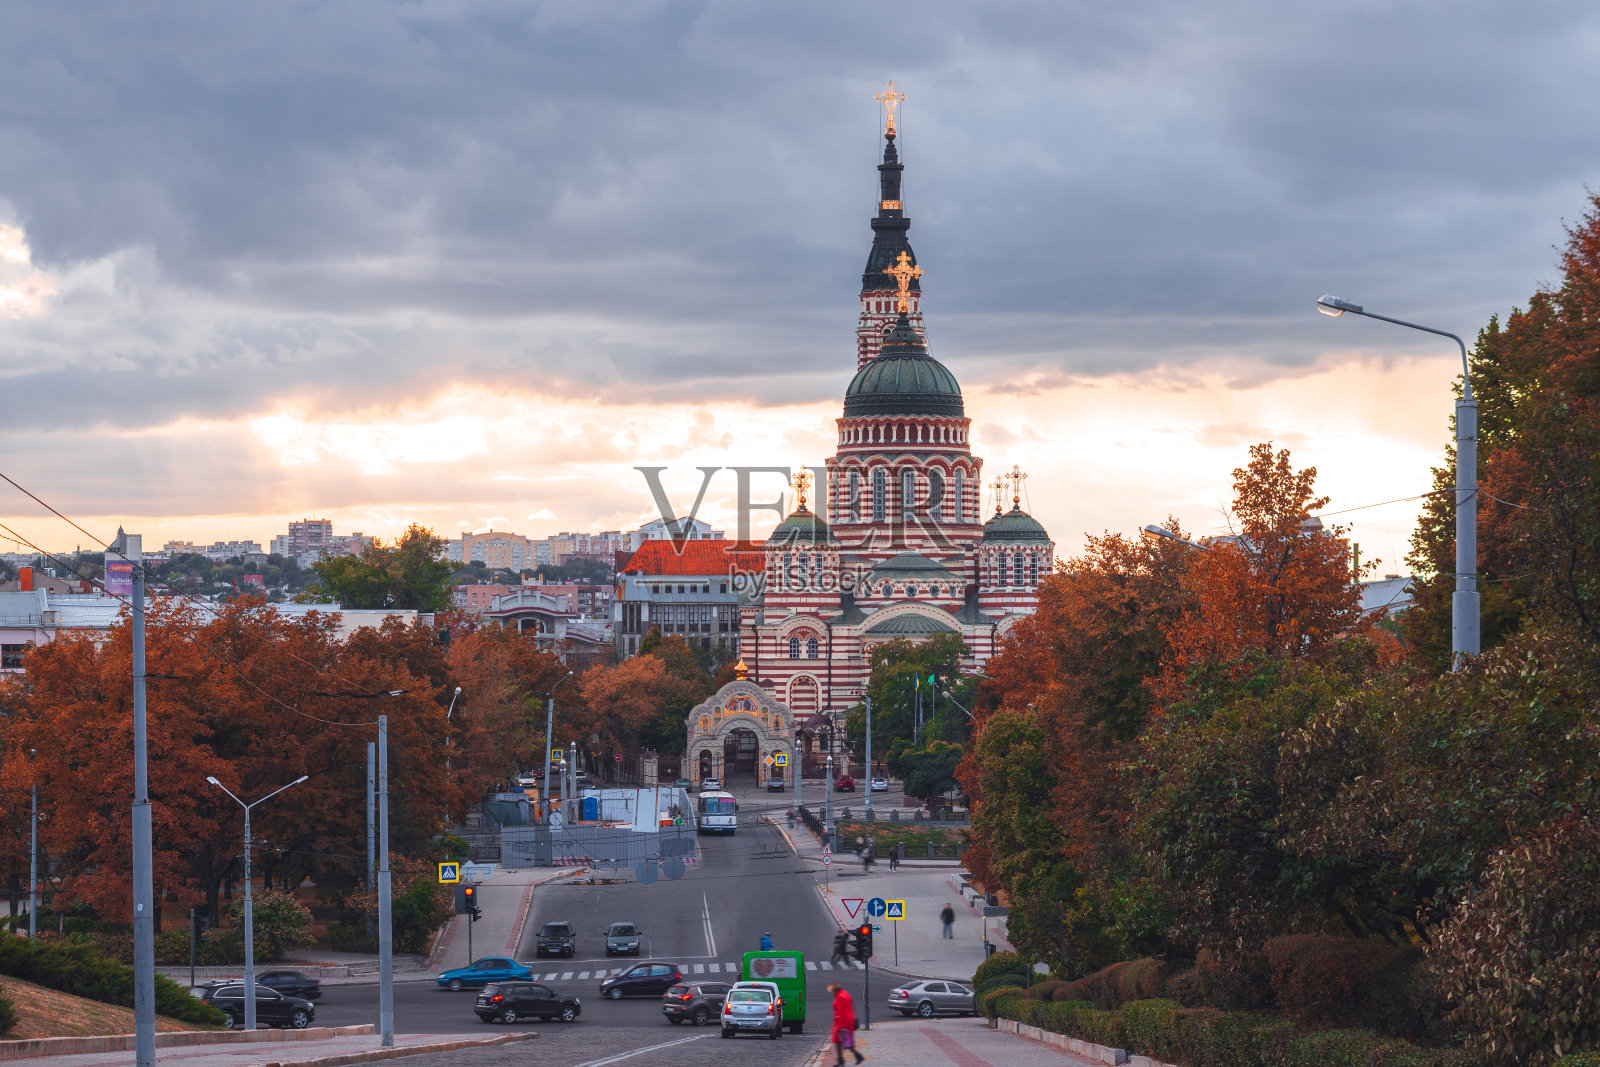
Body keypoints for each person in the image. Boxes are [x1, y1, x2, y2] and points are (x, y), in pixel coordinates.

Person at [829, 982, 864, 1065]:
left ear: (835, 991)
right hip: (846, 1021)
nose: (831, 993)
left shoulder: (841, 997)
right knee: (842, 1041)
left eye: (832, 991)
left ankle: (845, 1059)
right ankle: (847, 1058)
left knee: (844, 1041)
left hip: (843, 1022)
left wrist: (841, 1027)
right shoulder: (844, 993)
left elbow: (841, 1013)